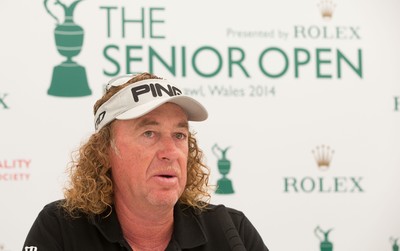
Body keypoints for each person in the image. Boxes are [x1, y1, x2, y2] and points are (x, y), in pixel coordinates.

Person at [23, 72, 269, 251]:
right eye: (149, 133)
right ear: (105, 151)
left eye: (179, 135)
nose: (170, 152)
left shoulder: (231, 230)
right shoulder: (61, 228)